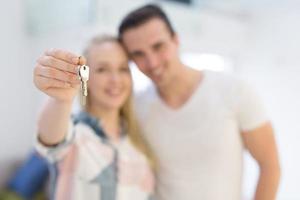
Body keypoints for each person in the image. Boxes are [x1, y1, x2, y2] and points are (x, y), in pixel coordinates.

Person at [34, 4, 281, 200]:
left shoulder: (234, 91)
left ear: (176, 40)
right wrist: (61, 100)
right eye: (138, 55)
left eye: (158, 46)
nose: (151, 62)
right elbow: (56, 139)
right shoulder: (130, 113)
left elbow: (270, 165)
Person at [33, 35, 155, 200]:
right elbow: (51, 139)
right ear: (86, 78)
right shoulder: (75, 132)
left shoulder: (138, 138)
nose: (115, 79)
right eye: (102, 69)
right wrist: (61, 100)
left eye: (122, 69)